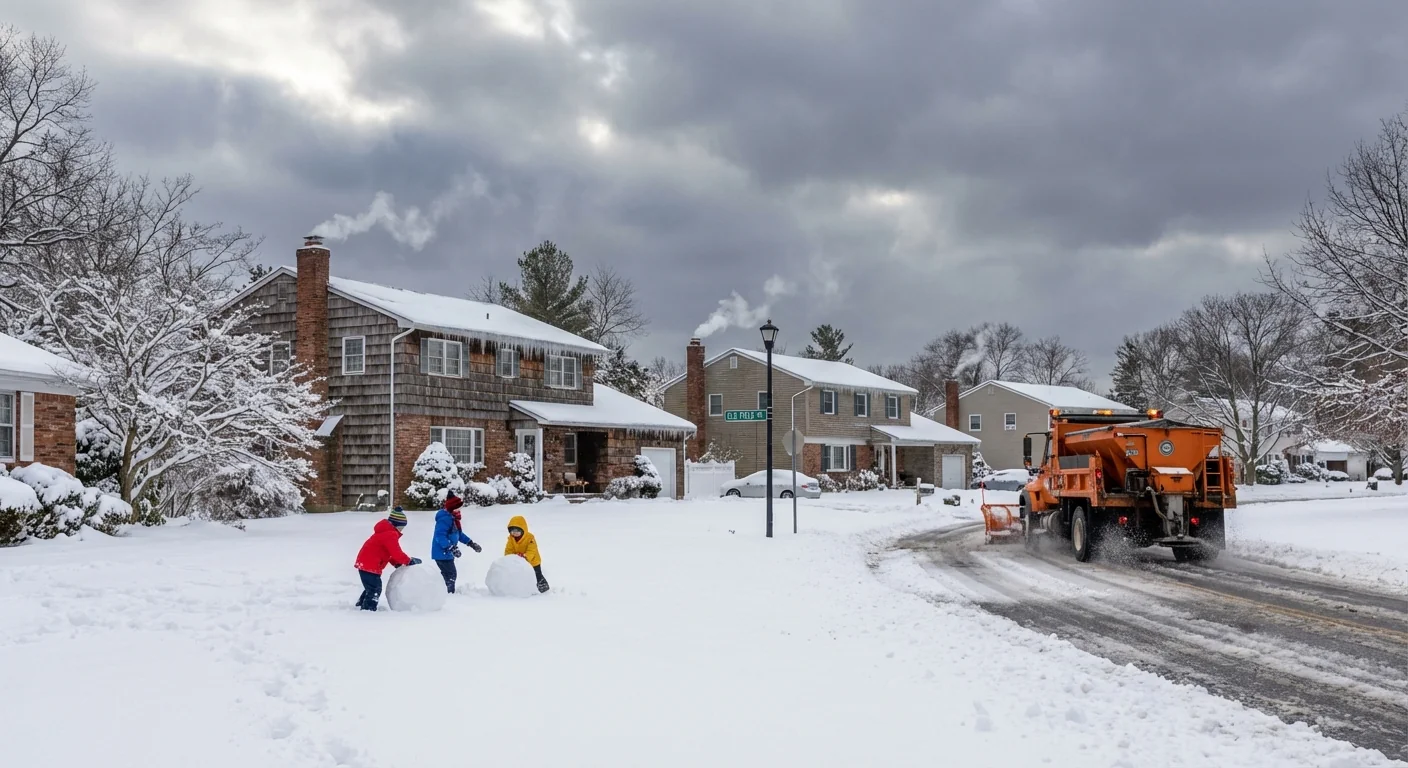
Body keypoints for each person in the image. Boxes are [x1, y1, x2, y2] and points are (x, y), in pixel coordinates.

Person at [354, 508, 421, 611]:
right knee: (375, 588)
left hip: (366, 564)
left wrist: (396, 563)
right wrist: (409, 560)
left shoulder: (385, 532)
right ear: (396, 525)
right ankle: (368, 609)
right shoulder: (390, 535)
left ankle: (361, 604)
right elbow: (396, 553)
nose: (402, 530)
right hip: (369, 565)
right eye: (401, 527)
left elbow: (389, 554)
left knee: (371, 587)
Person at [431, 493, 482, 593]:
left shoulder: (454, 519)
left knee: (448, 574)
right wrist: (451, 548)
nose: (459, 510)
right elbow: (440, 536)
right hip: (441, 552)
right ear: (452, 508)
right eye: (457, 508)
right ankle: (448, 593)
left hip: (446, 553)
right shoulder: (445, 519)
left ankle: (442, 592)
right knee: (450, 574)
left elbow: (458, 534)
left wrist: (471, 543)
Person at [505, 514, 549, 593]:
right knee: (522, 575)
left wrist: (525, 556)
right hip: (519, 561)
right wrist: (510, 558)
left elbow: (532, 550)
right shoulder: (511, 539)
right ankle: (526, 588)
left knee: (537, 575)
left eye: (517, 531)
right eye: (512, 531)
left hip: (533, 561)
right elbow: (508, 550)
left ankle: (543, 588)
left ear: (523, 530)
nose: (515, 533)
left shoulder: (530, 538)